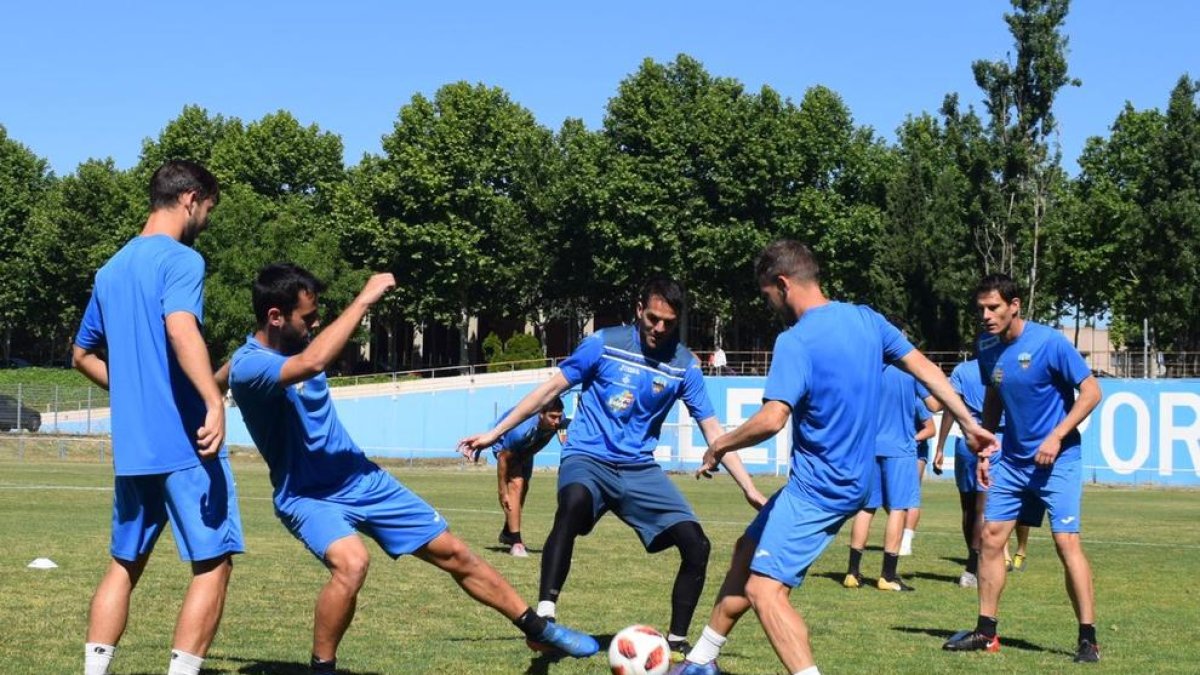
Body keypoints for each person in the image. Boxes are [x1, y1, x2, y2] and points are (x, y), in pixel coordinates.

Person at [229, 264, 598, 672]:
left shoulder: (291, 344)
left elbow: (218, 379)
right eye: (309, 318)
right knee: (352, 564)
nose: (316, 325)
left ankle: (536, 628)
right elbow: (312, 363)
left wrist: (206, 399)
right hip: (308, 496)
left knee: (454, 552)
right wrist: (364, 299)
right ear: (275, 317)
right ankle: (323, 668)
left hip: (361, 478)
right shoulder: (251, 366)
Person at [671, 240, 996, 675]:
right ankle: (700, 661)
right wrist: (969, 421)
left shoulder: (796, 341)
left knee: (765, 591)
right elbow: (928, 370)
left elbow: (772, 419)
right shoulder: (867, 320)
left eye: (767, 294)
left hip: (819, 488)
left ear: (782, 283)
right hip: (848, 482)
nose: (768, 304)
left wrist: (720, 444)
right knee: (747, 550)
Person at [459, 277, 767, 660]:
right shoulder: (603, 344)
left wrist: (749, 489)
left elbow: (714, 431)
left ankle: (676, 642)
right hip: (587, 457)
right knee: (571, 505)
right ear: (639, 310)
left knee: (697, 545)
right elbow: (546, 391)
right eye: (652, 318)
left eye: (668, 322)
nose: (659, 328)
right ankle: (545, 619)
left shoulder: (685, 366)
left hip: (639, 469)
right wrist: (494, 433)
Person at [73, 160, 241, 675]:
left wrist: (134, 393)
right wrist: (213, 400)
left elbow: (81, 355)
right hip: (186, 442)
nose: (206, 220)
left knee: (125, 562)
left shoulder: (111, 268)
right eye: (208, 209)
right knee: (213, 563)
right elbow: (180, 328)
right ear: (190, 198)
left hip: (134, 447)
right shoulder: (181, 260)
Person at [942, 273, 1102, 663]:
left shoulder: (1049, 343)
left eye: (993, 307)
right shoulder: (986, 346)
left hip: (1058, 459)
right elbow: (995, 393)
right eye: (981, 308)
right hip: (1010, 461)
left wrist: (1057, 436)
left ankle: (1088, 639)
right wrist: (985, 445)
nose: (986, 315)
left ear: (1014, 306)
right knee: (991, 538)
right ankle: (986, 632)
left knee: (1067, 544)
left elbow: (1092, 391)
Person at [842, 365, 938, 591]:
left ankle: (852, 573)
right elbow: (934, 405)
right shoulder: (911, 373)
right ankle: (888, 575)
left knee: (866, 509)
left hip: (869, 448)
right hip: (900, 450)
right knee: (898, 508)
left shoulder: (868, 370)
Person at [467, 398, 568, 557]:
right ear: (541, 414)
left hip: (528, 447)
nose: (557, 421)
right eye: (552, 417)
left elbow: (544, 439)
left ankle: (508, 532)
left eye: (559, 416)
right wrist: (502, 489)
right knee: (516, 484)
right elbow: (503, 458)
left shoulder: (557, 421)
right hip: (504, 447)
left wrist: (527, 454)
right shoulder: (521, 429)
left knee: (523, 489)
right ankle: (516, 543)